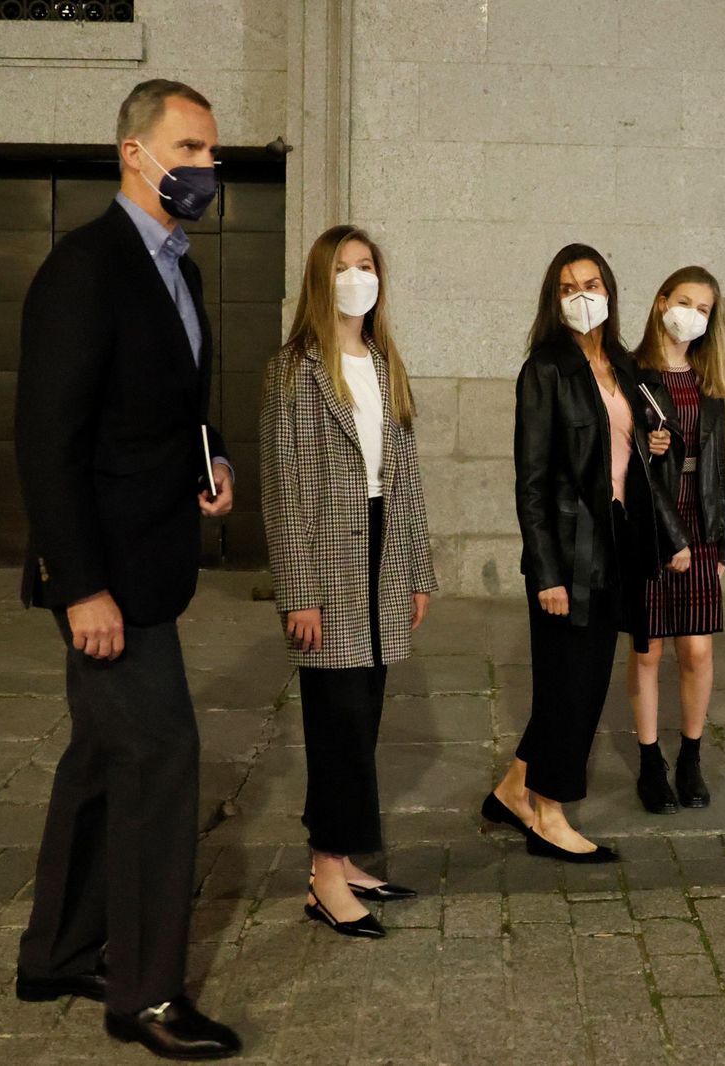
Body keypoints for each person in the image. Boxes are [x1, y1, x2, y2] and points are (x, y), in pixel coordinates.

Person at [12, 79, 240, 1061]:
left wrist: (212, 463)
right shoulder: (85, 267)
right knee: (159, 760)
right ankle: (146, 996)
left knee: (103, 761)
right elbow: (46, 440)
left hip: (154, 557)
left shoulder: (180, 270)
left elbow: (174, 404)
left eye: (212, 152)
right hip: (106, 577)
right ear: (133, 153)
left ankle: (58, 954)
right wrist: (79, 585)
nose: (205, 167)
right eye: (187, 148)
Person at [483, 243, 689, 863]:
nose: (582, 295)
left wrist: (657, 444)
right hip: (568, 555)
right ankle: (549, 815)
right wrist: (546, 573)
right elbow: (532, 482)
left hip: (618, 544)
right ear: (555, 298)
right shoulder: (545, 369)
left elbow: (639, 456)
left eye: (591, 283)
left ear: (609, 290)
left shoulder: (625, 366)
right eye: (569, 286)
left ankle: (514, 790)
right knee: (571, 686)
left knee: (578, 681)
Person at [260, 225, 438, 939]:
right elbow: (282, 489)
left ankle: (341, 857)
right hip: (327, 560)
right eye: (343, 267)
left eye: (366, 265)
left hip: (383, 548)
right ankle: (325, 877)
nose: (357, 277)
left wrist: (418, 571)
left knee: (364, 716)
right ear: (320, 279)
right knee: (335, 722)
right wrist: (298, 591)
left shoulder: (386, 362)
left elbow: (407, 476)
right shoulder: (293, 369)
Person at [626, 266, 725, 815]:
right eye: (684, 302)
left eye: (703, 308)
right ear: (661, 301)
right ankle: (650, 763)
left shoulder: (706, 380)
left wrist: (722, 543)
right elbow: (624, 460)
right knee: (648, 650)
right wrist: (650, 450)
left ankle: (691, 757)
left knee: (696, 649)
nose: (691, 314)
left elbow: (718, 467)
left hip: (700, 518)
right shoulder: (633, 373)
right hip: (651, 518)